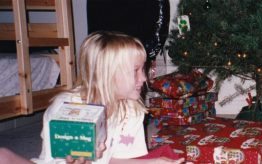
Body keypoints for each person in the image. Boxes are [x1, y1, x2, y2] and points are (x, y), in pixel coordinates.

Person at [26, 31, 184, 164]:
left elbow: (114, 160)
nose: (144, 78)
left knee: (165, 155)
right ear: (107, 74)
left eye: (143, 69)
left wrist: (154, 162)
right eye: (136, 70)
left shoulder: (132, 109)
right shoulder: (68, 109)